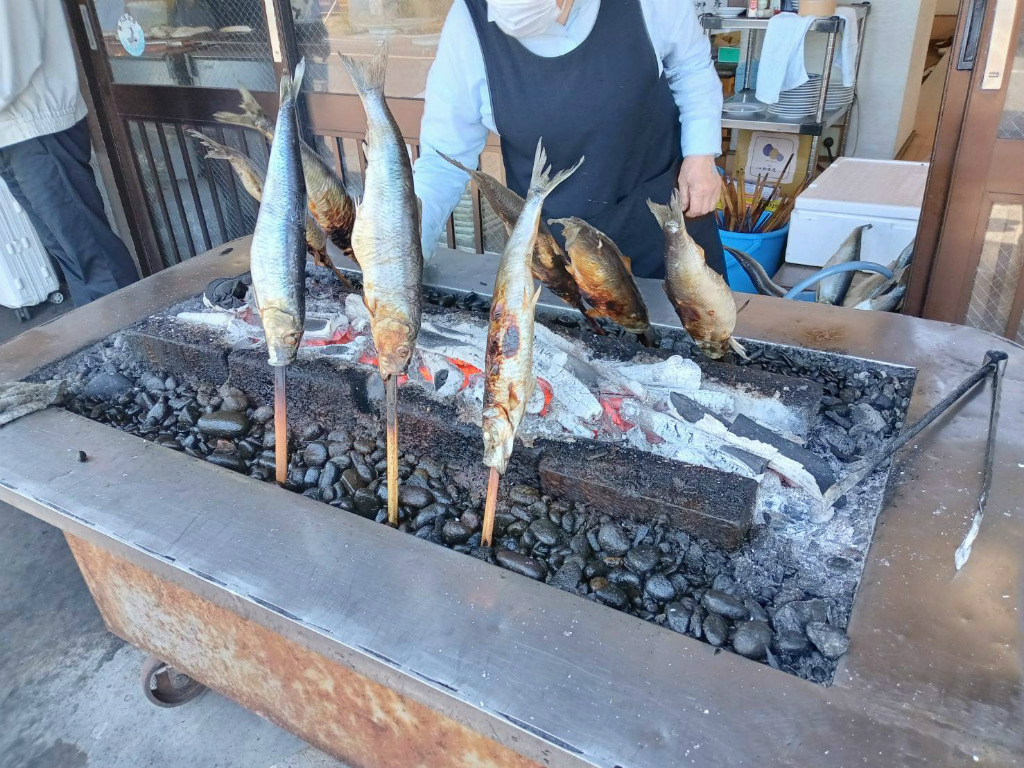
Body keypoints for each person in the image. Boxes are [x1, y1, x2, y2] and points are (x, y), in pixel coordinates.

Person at [413, 0, 726, 280]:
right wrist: (405, 248)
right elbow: (443, 161)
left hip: (661, 227)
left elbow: (690, 66)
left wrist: (700, 154)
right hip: (556, 249)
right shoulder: (468, 22)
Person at [0, 1, 139, 307]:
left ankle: (138, 330)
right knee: (68, 252)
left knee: (92, 255)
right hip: (15, 129)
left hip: (37, 123)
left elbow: (10, 58)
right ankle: (105, 332)